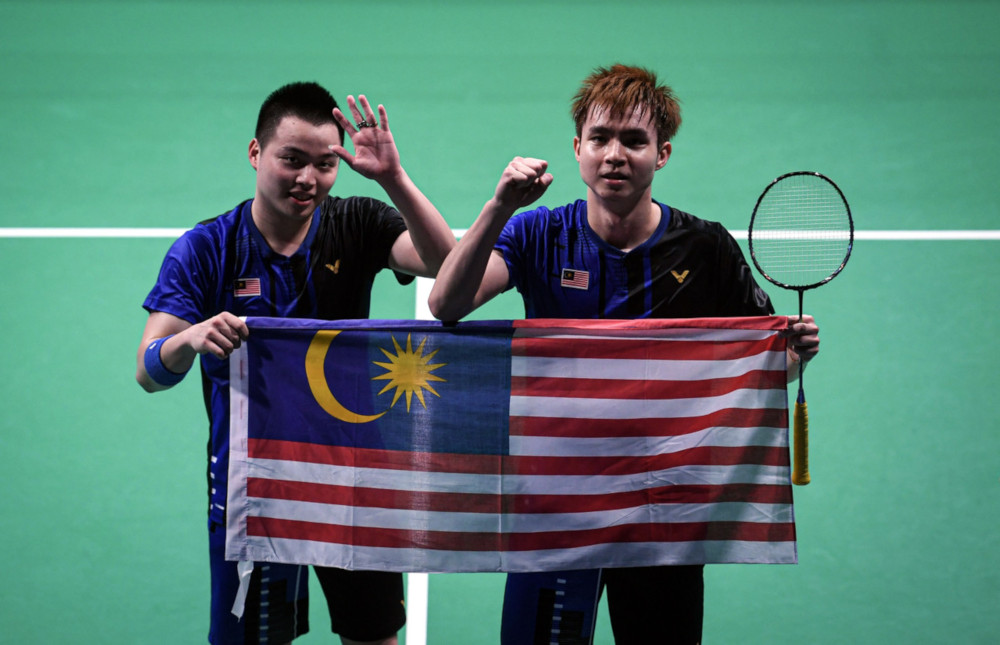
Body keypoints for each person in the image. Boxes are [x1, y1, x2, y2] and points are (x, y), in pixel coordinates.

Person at [428, 64, 821, 644]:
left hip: (663, 509)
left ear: (662, 155)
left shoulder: (705, 247)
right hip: (557, 502)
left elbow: (763, 367)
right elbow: (446, 303)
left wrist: (795, 356)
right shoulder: (538, 234)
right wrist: (498, 207)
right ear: (578, 149)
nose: (615, 155)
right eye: (601, 138)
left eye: (634, 140)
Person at [136, 82, 455, 645]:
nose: (308, 178)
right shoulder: (206, 248)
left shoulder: (356, 222)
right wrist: (191, 337)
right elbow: (149, 371)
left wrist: (393, 179)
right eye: (292, 160)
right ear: (256, 153)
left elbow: (446, 265)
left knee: (373, 635)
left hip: (351, 472)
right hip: (253, 482)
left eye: (325, 165)